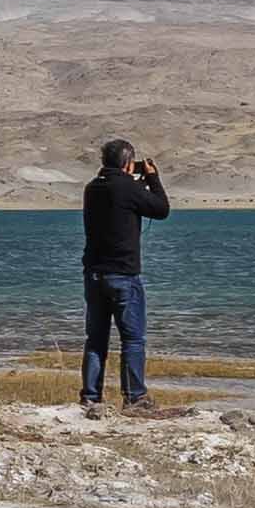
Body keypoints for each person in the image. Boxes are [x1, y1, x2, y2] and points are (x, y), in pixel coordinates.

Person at [80, 140, 169, 412]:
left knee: (95, 339)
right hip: (124, 275)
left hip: (94, 274)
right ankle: (134, 397)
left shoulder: (92, 188)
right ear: (128, 163)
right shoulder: (129, 187)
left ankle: (90, 397)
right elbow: (161, 209)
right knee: (132, 338)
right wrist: (153, 179)